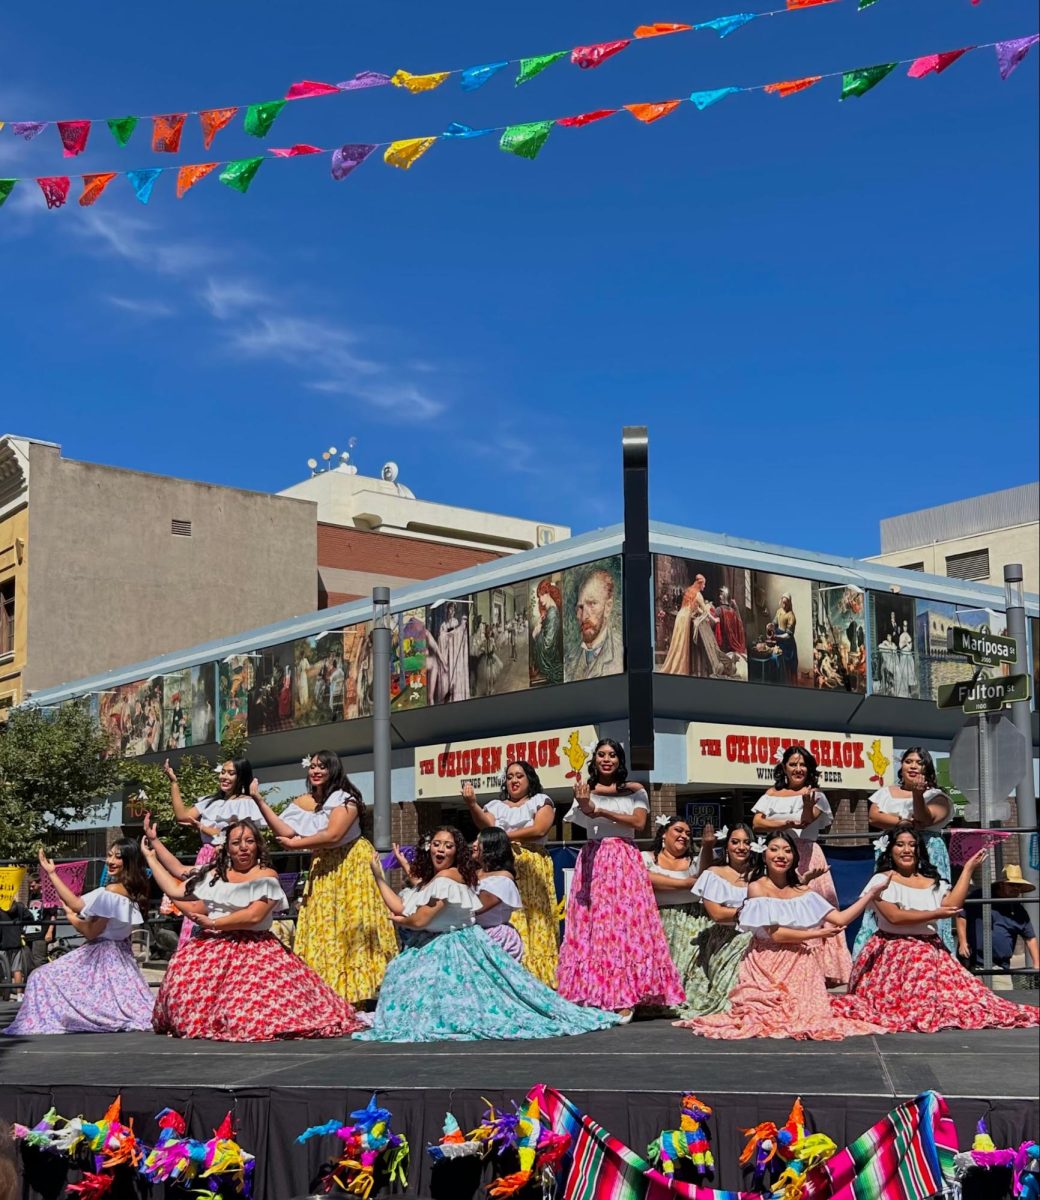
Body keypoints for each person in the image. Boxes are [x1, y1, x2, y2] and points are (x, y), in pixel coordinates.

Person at [358, 827, 618, 1042]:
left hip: (462, 943)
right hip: (437, 943)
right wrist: (380, 879)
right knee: (403, 977)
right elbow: (408, 906)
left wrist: (405, 920)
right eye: (436, 844)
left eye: (448, 846)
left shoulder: (459, 879)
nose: (440, 849)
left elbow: (420, 917)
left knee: (489, 998)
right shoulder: (439, 879)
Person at [147, 818, 363, 1041]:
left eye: (249, 841)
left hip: (254, 947)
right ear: (227, 848)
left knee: (247, 1012)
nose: (243, 847)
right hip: (211, 946)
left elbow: (253, 916)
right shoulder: (214, 873)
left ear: (258, 846)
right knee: (183, 983)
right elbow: (176, 885)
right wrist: (152, 852)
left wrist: (211, 923)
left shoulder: (266, 876)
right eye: (236, 842)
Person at [678, 831, 887, 1041]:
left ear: (794, 858)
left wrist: (869, 895)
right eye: (774, 849)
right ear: (764, 854)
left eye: (787, 851)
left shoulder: (802, 891)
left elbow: (840, 919)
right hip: (767, 962)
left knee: (807, 1018)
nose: (781, 855)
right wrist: (817, 933)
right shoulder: (757, 887)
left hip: (801, 964)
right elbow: (776, 935)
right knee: (769, 1016)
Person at [834, 826, 1039, 1032]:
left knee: (973, 1000)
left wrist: (968, 869)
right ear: (890, 850)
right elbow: (894, 917)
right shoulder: (881, 880)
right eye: (900, 844)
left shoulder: (933, 882)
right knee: (902, 1003)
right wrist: (935, 914)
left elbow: (953, 904)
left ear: (920, 850)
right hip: (893, 950)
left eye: (912, 845)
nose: (907, 850)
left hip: (931, 950)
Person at [250, 750, 397, 1004]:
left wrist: (296, 845)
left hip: (351, 863)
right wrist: (259, 800)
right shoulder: (304, 801)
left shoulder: (345, 799)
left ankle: (356, 990)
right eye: (313, 767)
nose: (316, 771)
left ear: (333, 770)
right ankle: (326, 989)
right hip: (324, 863)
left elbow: (333, 835)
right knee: (325, 923)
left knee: (351, 921)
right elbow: (285, 829)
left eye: (322, 767)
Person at [557, 739, 685, 1019]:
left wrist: (599, 809)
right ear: (594, 760)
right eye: (601, 754)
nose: (607, 759)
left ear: (620, 760)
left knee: (626, 927)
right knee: (595, 928)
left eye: (612, 755)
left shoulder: (635, 790)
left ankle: (627, 995)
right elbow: (580, 818)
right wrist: (584, 804)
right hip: (594, 858)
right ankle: (595, 992)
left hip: (623, 858)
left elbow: (639, 823)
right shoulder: (585, 789)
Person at [4, 843, 154, 1036]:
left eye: (117, 857)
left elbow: (90, 930)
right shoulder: (128, 889)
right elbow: (76, 904)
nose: (110, 861)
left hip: (102, 954)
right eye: (109, 855)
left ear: (128, 862)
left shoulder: (113, 890)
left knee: (40, 976)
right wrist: (52, 873)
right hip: (118, 957)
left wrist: (73, 918)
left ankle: (56, 1018)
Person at [752, 745, 851, 986]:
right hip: (778, 854)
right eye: (793, 764)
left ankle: (817, 967)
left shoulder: (817, 795)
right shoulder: (771, 794)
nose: (798, 769)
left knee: (813, 910)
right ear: (784, 767)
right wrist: (785, 821)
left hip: (806, 854)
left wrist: (803, 807)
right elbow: (756, 823)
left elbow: (806, 821)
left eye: (803, 764)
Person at [463, 761, 559, 987]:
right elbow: (487, 827)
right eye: (510, 777)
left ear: (529, 779)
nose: (514, 780)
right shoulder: (496, 805)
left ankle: (540, 978)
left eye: (519, 776)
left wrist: (505, 836)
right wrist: (472, 804)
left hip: (532, 867)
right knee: (511, 917)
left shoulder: (540, 801)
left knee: (536, 918)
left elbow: (540, 829)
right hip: (504, 867)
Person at [855, 747, 954, 955]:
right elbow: (874, 817)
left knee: (927, 895)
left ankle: (933, 949)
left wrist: (918, 796)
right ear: (901, 765)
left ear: (927, 768)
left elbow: (924, 819)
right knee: (888, 895)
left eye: (919, 762)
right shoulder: (885, 792)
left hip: (926, 850)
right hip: (892, 850)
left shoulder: (937, 796)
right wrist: (903, 822)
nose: (913, 766)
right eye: (909, 761)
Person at [165, 756, 264, 948]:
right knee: (197, 904)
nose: (224, 777)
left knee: (217, 907)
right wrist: (174, 782)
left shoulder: (246, 802)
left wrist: (202, 827)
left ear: (241, 776)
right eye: (223, 772)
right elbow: (182, 817)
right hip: (206, 856)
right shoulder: (212, 801)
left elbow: (235, 835)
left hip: (227, 859)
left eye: (231, 773)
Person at [674, 822, 755, 1018]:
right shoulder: (713, 874)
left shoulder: (759, 874)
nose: (741, 847)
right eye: (735, 842)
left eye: (746, 842)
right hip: (726, 939)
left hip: (756, 938)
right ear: (727, 846)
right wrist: (752, 910)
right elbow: (717, 914)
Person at [640, 816, 714, 1009]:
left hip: (692, 919)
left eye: (688, 833)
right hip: (657, 920)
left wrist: (707, 847)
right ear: (664, 833)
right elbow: (645, 878)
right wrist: (683, 884)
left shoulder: (695, 861)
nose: (684, 836)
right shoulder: (645, 858)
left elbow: (704, 878)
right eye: (678, 831)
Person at [957, 864, 1040, 979]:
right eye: (1012, 885)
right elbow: (961, 915)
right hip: (974, 966)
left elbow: (1030, 938)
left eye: (1019, 886)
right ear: (1002, 885)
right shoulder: (979, 896)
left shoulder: (1019, 910)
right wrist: (962, 941)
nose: (1016, 888)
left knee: (1004, 995)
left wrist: (1037, 965)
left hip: (1001, 967)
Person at [473, 828, 524, 961]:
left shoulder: (503, 880)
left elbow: (476, 907)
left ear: (492, 846)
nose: (474, 844)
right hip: (475, 934)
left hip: (494, 938)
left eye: (479, 841)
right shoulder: (474, 873)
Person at [565, 569, 621, 680]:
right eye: (580, 607)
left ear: (608, 607)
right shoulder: (569, 658)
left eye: (592, 604)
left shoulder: (620, 654)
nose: (584, 616)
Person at [531, 579, 564, 686]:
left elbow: (547, 645)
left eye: (541, 595)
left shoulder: (553, 613)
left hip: (552, 666)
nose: (540, 599)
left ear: (548, 593)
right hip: (552, 663)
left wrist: (536, 634)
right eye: (539, 596)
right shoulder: (550, 611)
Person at [0, 892, 32, 1000]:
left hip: (2, 943)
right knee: (17, 969)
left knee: (3, 970)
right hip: (15, 942)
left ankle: (5, 995)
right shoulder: (19, 906)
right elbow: (30, 917)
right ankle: (19, 995)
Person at [773, 593, 799, 684]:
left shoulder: (791, 616)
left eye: (786, 603)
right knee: (781, 665)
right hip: (779, 642)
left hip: (788, 644)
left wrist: (777, 637)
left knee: (790, 666)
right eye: (783, 602)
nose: (784, 605)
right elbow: (775, 623)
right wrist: (770, 626)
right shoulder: (779, 611)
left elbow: (788, 635)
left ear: (789, 603)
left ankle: (792, 686)